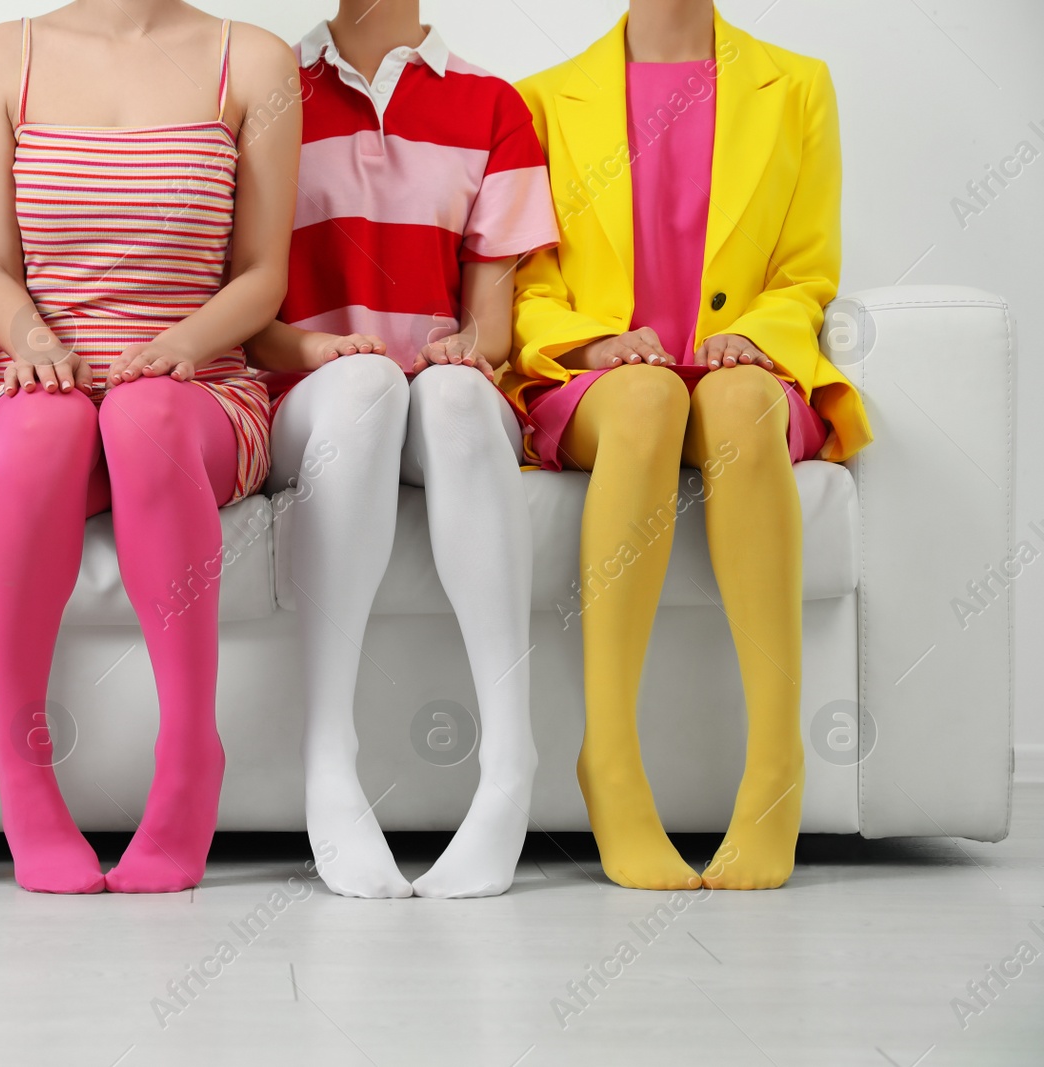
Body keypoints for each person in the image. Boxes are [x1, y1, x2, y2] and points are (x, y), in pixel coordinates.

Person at [508, 0, 872, 890]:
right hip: (602, 385)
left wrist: (756, 334)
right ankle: (614, 765)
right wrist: (591, 341)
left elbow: (807, 270)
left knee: (741, 403)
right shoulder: (541, 102)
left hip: (745, 372)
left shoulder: (800, 88)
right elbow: (526, 277)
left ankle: (777, 766)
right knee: (646, 398)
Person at [0, 1, 299, 893]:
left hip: (197, 392)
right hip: (43, 378)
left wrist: (183, 344)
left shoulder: (254, 61)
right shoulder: (2, 59)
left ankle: (190, 759)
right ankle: (21, 764)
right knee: (43, 432)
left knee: (141, 416)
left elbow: (263, 271)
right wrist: (37, 348)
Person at [246, 2, 559, 898]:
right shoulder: (268, 91)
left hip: (435, 401)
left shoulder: (493, 106)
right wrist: (315, 353)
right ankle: (328, 762)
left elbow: (490, 324)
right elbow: (245, 305)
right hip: (310, 398)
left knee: (454, 396)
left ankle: (508, 766)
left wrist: (467, 351)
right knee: (367, 387)